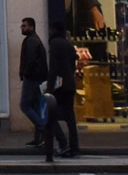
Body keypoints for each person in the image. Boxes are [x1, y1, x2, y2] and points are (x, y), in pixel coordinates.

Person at [18, 17, 56, 161]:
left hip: (32, 79)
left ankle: (41, 129)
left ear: (32, 27)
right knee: (34, 106)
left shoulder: (32, 41)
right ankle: (39, 138)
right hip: (36, 78)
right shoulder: (32, 40)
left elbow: (31, 60)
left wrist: (25, 73)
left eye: (24, 26)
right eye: (22, 26)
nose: (22, 28)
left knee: (25, 105)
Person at [46, 19, 81, 159]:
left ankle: (63, 143)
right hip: (70, 84)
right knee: (70, 118)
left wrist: (49, 87)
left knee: (49, 116)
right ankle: (74, 147)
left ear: (53, 29)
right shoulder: (68, 44)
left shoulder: (54, 44)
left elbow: (54, 67)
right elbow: (73, 63)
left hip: (59, 86)